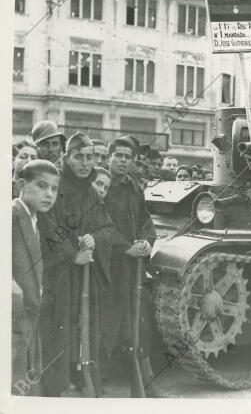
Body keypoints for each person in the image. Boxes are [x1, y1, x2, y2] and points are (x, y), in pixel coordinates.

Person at [38, 132, 115, 397]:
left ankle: (84, 379)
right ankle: (57, 388)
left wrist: (95, 239)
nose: (85, 163)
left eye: (90, 158)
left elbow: (107, 227)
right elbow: (46, 226)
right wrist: (72, 255)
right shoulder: (55, 188)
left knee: (86, 327)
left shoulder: (93, 192)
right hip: (59, 274)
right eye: (78, 157)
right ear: (66, 158)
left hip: (87, 274)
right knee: (60, 328)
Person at [99, 136, 158, 396]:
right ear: (108, 158)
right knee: (108, 323)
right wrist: (125, 247)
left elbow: (146, 221)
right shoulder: (100, 187)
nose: (123, 161)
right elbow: (99, 225)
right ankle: (100, 383)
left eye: (128, 157)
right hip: (107, 268)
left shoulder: (135, 187)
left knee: (139, 325)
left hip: (132, 270)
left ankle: (144, 383)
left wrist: (146, 241)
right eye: (119, 156)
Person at [12, 160, 60, 395]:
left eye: (54, 188)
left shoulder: (33, 219)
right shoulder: (11, 215)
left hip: (26, 319)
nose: (49, 194)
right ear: (22, 184)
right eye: (42, 186)